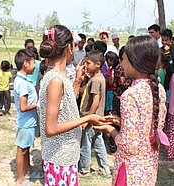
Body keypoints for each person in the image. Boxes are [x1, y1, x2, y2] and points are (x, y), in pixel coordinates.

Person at [93, 35, 167, 185]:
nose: (121, 64)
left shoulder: (130, 95)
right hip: (148, 167)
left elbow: (129, 145)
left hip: (131, 171)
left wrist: (110, 129)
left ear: (135, 62)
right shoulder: (159, 89)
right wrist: (121, 122)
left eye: (124, 59)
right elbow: (151, 129)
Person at [38, 25, 104, 186]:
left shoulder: (58, 76)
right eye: (74, 46)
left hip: (65, 155)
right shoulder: (55, 80)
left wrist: (76, 83)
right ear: (68, 47)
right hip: (60, 158)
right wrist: (87, 118)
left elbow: (64, 107)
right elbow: (51, 128)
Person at [78, 50, 110, 176]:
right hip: (97, 116)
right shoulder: (97, 78)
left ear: (97, 64)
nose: (86, 66)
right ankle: (104, 168)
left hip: (91, 117)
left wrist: (87, 119)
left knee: (85, 143)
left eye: (88, 63)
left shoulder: (96, 80)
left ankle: (84, 169)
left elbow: (95, 101)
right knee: (98, 142)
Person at [13, 49, 38, 186]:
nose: (35, 65)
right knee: (21, 150)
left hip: (29, 121)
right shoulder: (22, 83)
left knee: (26, 148)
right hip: (25, 122)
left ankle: (28, 171)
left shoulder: (23, 80)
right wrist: (38, 105)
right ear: (25, 64)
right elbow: (23, 107)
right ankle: (21, 179)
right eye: (34, 62)